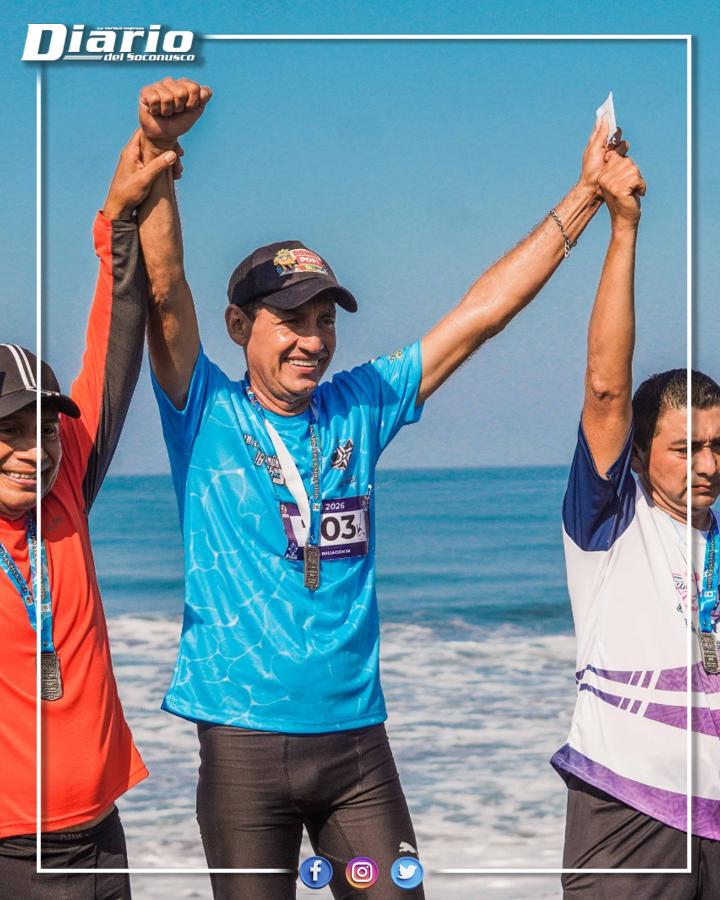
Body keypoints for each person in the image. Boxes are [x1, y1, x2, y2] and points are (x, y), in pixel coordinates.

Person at [135, 76, 617, 899]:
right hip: (244, 747)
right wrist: (157, 148)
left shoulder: (360, 405)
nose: (312, 341)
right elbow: (166, 291)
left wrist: (587, 196)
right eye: (292, 320)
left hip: (357, 750)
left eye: (325, 320)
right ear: (239, 327)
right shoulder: (205, 410)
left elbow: (480, 316)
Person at [0, 132, 178, 899]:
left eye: (43, 429)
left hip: (102, 838)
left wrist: (119, 219)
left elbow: (114, 351)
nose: (32, 450)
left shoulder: (64, 485)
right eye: (9, 430)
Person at [552, 145, 720, 897]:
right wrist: (623, 227)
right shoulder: (608, 523)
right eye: (685, 448)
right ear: (642, 452)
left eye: (717, 446)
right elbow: (606, 391)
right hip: (629, 813)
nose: (706, 464)